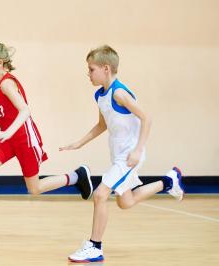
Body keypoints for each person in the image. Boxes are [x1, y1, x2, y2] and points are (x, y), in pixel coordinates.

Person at [0, 41, 94, 245]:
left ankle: (76, 176)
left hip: (25, 139)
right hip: (6, 139)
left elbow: (25, 110)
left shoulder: (7, 84)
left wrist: (8, 132)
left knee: (34, 189)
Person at [60, 45, 184, 263]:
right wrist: (78, 143)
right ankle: (168, 181)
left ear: (106, 68)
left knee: (100, 194)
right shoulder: (100, 95)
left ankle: (94, 247)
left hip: (129, 156)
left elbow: (147, 118)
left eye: (91, 69)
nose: (88, 74)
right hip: (118, 156)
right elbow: (101, 125)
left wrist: (137, 150)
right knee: (125, 202)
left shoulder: (119, 92)